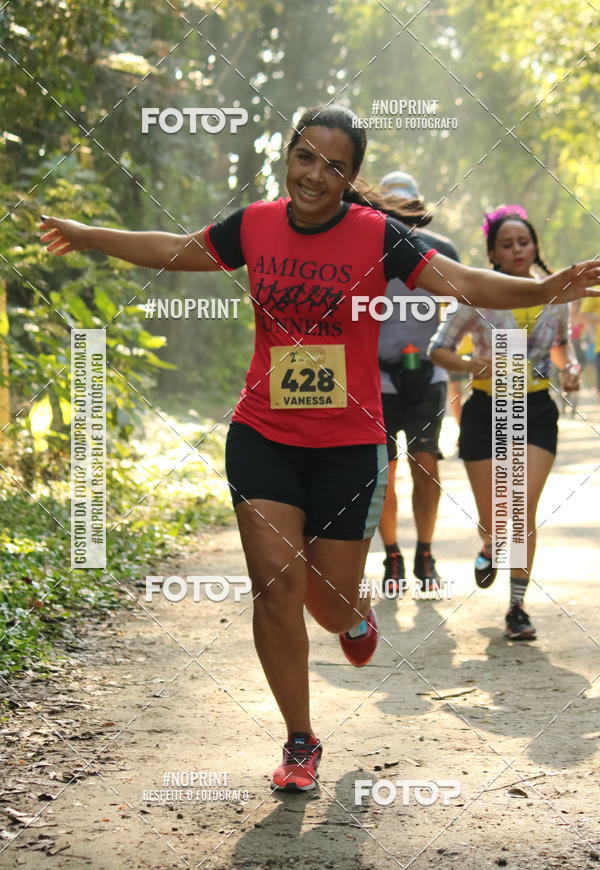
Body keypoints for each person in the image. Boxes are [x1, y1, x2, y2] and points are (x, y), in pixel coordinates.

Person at [39, 109, 600, 790]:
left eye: (334, 167)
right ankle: (300, 739)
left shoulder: (378, 237)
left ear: (350, 178)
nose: (315, 175)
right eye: (306, 157)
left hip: (347, 445)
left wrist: (540, 289)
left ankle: (356, 610)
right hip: (263, 433)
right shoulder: (254, 225)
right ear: (288, 156)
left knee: (326, 606)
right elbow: (174, 249)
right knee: (275, 588)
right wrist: (88, 235)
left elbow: (463, 283)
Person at [429, 205, 582, 641]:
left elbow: (562, 348)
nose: (517, 250)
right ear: (493, 254)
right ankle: (488, 545)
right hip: (485, 412)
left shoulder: (557, 297)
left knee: (521, 507)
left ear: (535, 246)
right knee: (496, 521)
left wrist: (570, 368)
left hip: (535, 412)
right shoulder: (477, 295)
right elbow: (438, 350)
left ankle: (516, 607)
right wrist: (471, 364)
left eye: (524, 242)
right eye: (507, 245)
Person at [376, 171, 459, 595]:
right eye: (387, 206)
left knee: (426, 465)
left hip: (428, 373)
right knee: (383, 472)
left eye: (405, 206)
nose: (396, 215)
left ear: (419, 207)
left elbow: (461, 308)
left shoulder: (441, 250)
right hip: (378, 376)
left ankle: (425, 552)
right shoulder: (365, 248)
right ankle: (393, 556)